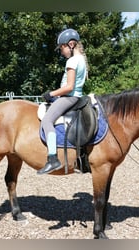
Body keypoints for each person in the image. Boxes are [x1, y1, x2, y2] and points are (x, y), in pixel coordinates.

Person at [37, 28, 88, 175]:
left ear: (71, 45)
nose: (61, 52)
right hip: (76, 97)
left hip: (69, 97)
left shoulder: (72, 61)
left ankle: (52, 159)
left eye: (62, 48)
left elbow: (69, 87)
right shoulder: (82, 60)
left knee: (47, 121)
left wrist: (50, 94)